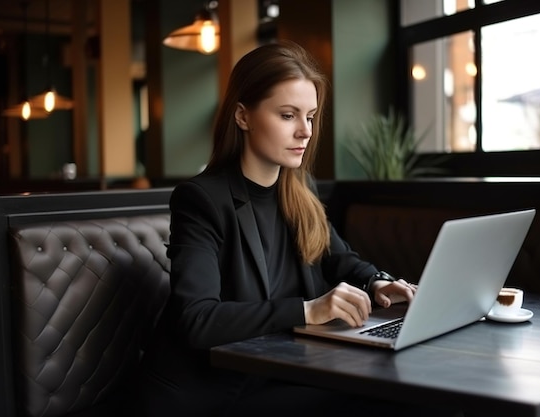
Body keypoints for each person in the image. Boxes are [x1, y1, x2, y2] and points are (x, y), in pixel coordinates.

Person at [138, 40, 456, 417]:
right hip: (216, 392)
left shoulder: (298, 189)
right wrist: (309, 310)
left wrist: (378, 282)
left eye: (310, 116)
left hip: (286, 371)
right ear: (243, 116)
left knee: (427, 393)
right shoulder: (201, 199)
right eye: (288, 115)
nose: (305, 131)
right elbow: (198, 319)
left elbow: (340, 259)